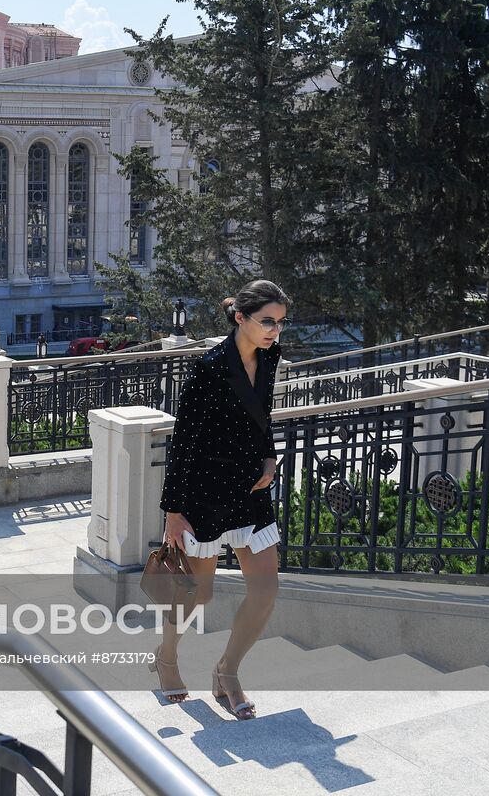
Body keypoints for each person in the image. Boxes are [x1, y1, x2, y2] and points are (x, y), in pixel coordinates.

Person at [154, 280, 290, 721]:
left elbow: (262, 415)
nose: (274, 331)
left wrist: (269, 458)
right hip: (205, 493)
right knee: (198, 595)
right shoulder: (207, 369)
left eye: (280, 323)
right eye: (267, 321)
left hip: (250, 490)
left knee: (266, 589)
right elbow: (184, 443)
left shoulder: (269, 358)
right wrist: (173, 512)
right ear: (240, 318)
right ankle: (167, 657)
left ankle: (227, 672)